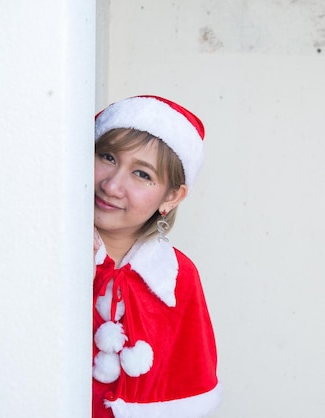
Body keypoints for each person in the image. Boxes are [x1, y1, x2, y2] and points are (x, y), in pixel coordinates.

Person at [91, 95, 221, 418]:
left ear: (172, 196)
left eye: (142, 174)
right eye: (107, 157)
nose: (112, 185)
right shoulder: (46, 252)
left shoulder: (178, 278)